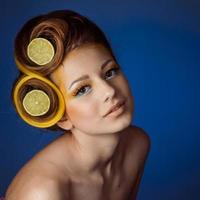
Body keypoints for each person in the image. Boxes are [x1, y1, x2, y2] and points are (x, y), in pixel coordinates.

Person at [6, 10, 150, 200]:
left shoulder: (137, 145)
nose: (109, 91)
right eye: (82, 89)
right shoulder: (44, 192)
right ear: (62, 116)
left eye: (110, 72)